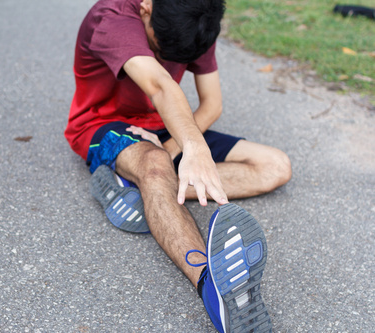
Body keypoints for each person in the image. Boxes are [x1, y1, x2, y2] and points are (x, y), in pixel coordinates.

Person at [64, 0, 292, 331]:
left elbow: (212, 104)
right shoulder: (111, 17)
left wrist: (175, 146)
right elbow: (160, 85)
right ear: (145, 6)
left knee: (275, 166)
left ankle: (139, 188)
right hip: (103, 126)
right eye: (158, 46)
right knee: (155, 165)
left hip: (169, 123)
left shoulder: (196, 17)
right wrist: (191, 148)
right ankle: (212, 287)